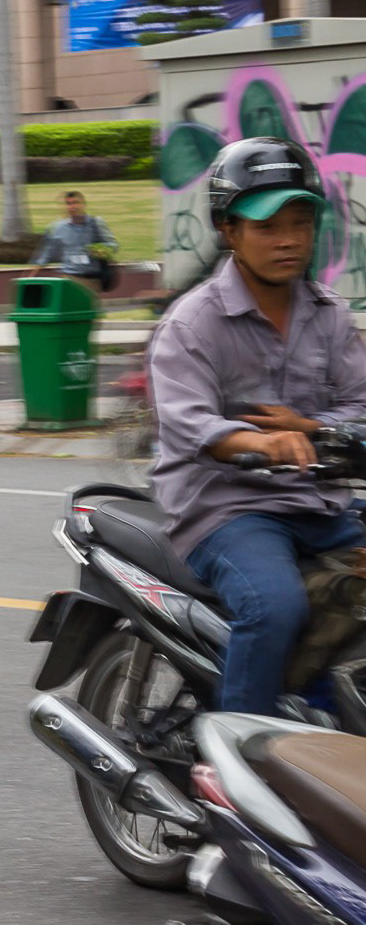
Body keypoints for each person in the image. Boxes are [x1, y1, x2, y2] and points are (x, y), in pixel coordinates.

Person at [149, 136, 366, 716]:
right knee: (275, 606)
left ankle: (327, 713)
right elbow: (188, 423)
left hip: (316, 502)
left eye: (300, 221)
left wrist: (310, 426)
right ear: (229, 230)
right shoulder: (191, 324)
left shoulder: (329, 314)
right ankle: (235, 758)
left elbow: (358, 407)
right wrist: (260, 442)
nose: (290, 239)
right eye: (268, 226)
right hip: (227, 507)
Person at [30, 190, 120, 289]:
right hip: (69, 277)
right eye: (68, 203)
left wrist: (101, 250)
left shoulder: (96, 224)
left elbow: (113, 245)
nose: (72, 207)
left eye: (76, 203)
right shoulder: (58, 227)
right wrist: (31, 276)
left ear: (83, 205)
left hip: (91, 279)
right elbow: (47, 253)